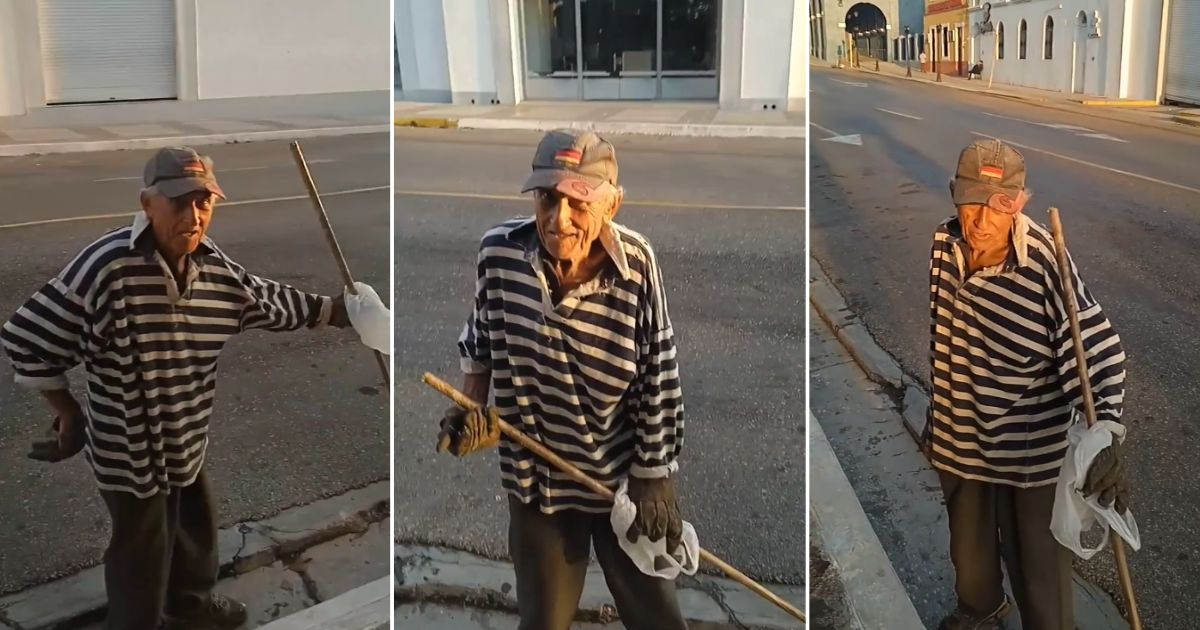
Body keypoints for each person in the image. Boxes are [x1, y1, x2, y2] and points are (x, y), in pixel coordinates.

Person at [1, 146, 385, 630]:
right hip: (128, 449)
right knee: (142, 553)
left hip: (184, 436)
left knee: (194, 530)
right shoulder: (106, 268)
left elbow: (263, 299)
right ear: (147, 204)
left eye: (204, 201)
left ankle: (191, 607)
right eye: (179, 202)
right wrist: (68, 413)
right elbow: (28, 337)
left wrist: (341, 311)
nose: (194, 215)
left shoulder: (210, 265)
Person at [437, 129, 688, 630]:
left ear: (612, 204)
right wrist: (468, 411)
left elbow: (658, 370)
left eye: (579, 202)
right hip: (539, 483)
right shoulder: (499, 253)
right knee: (543, 622)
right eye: (548, 199)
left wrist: (653, 473)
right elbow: (480, 342)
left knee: (658, 619)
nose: (559, 219)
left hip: (621, 482)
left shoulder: (636, 265)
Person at [924, 139, 1128, 630]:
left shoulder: (1044, 259)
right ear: (955, 196)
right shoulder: (944, 243)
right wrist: (939, 415)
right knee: (968, 552)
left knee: (1039, 566)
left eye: (998, 206)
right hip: (961, 431)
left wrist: (1104, 432)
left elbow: (1094, 348)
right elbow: (942, 332)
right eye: (971, 202)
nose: (981, 221)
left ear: (1018, 203)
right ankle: (981, 609)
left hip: (1030, 445)